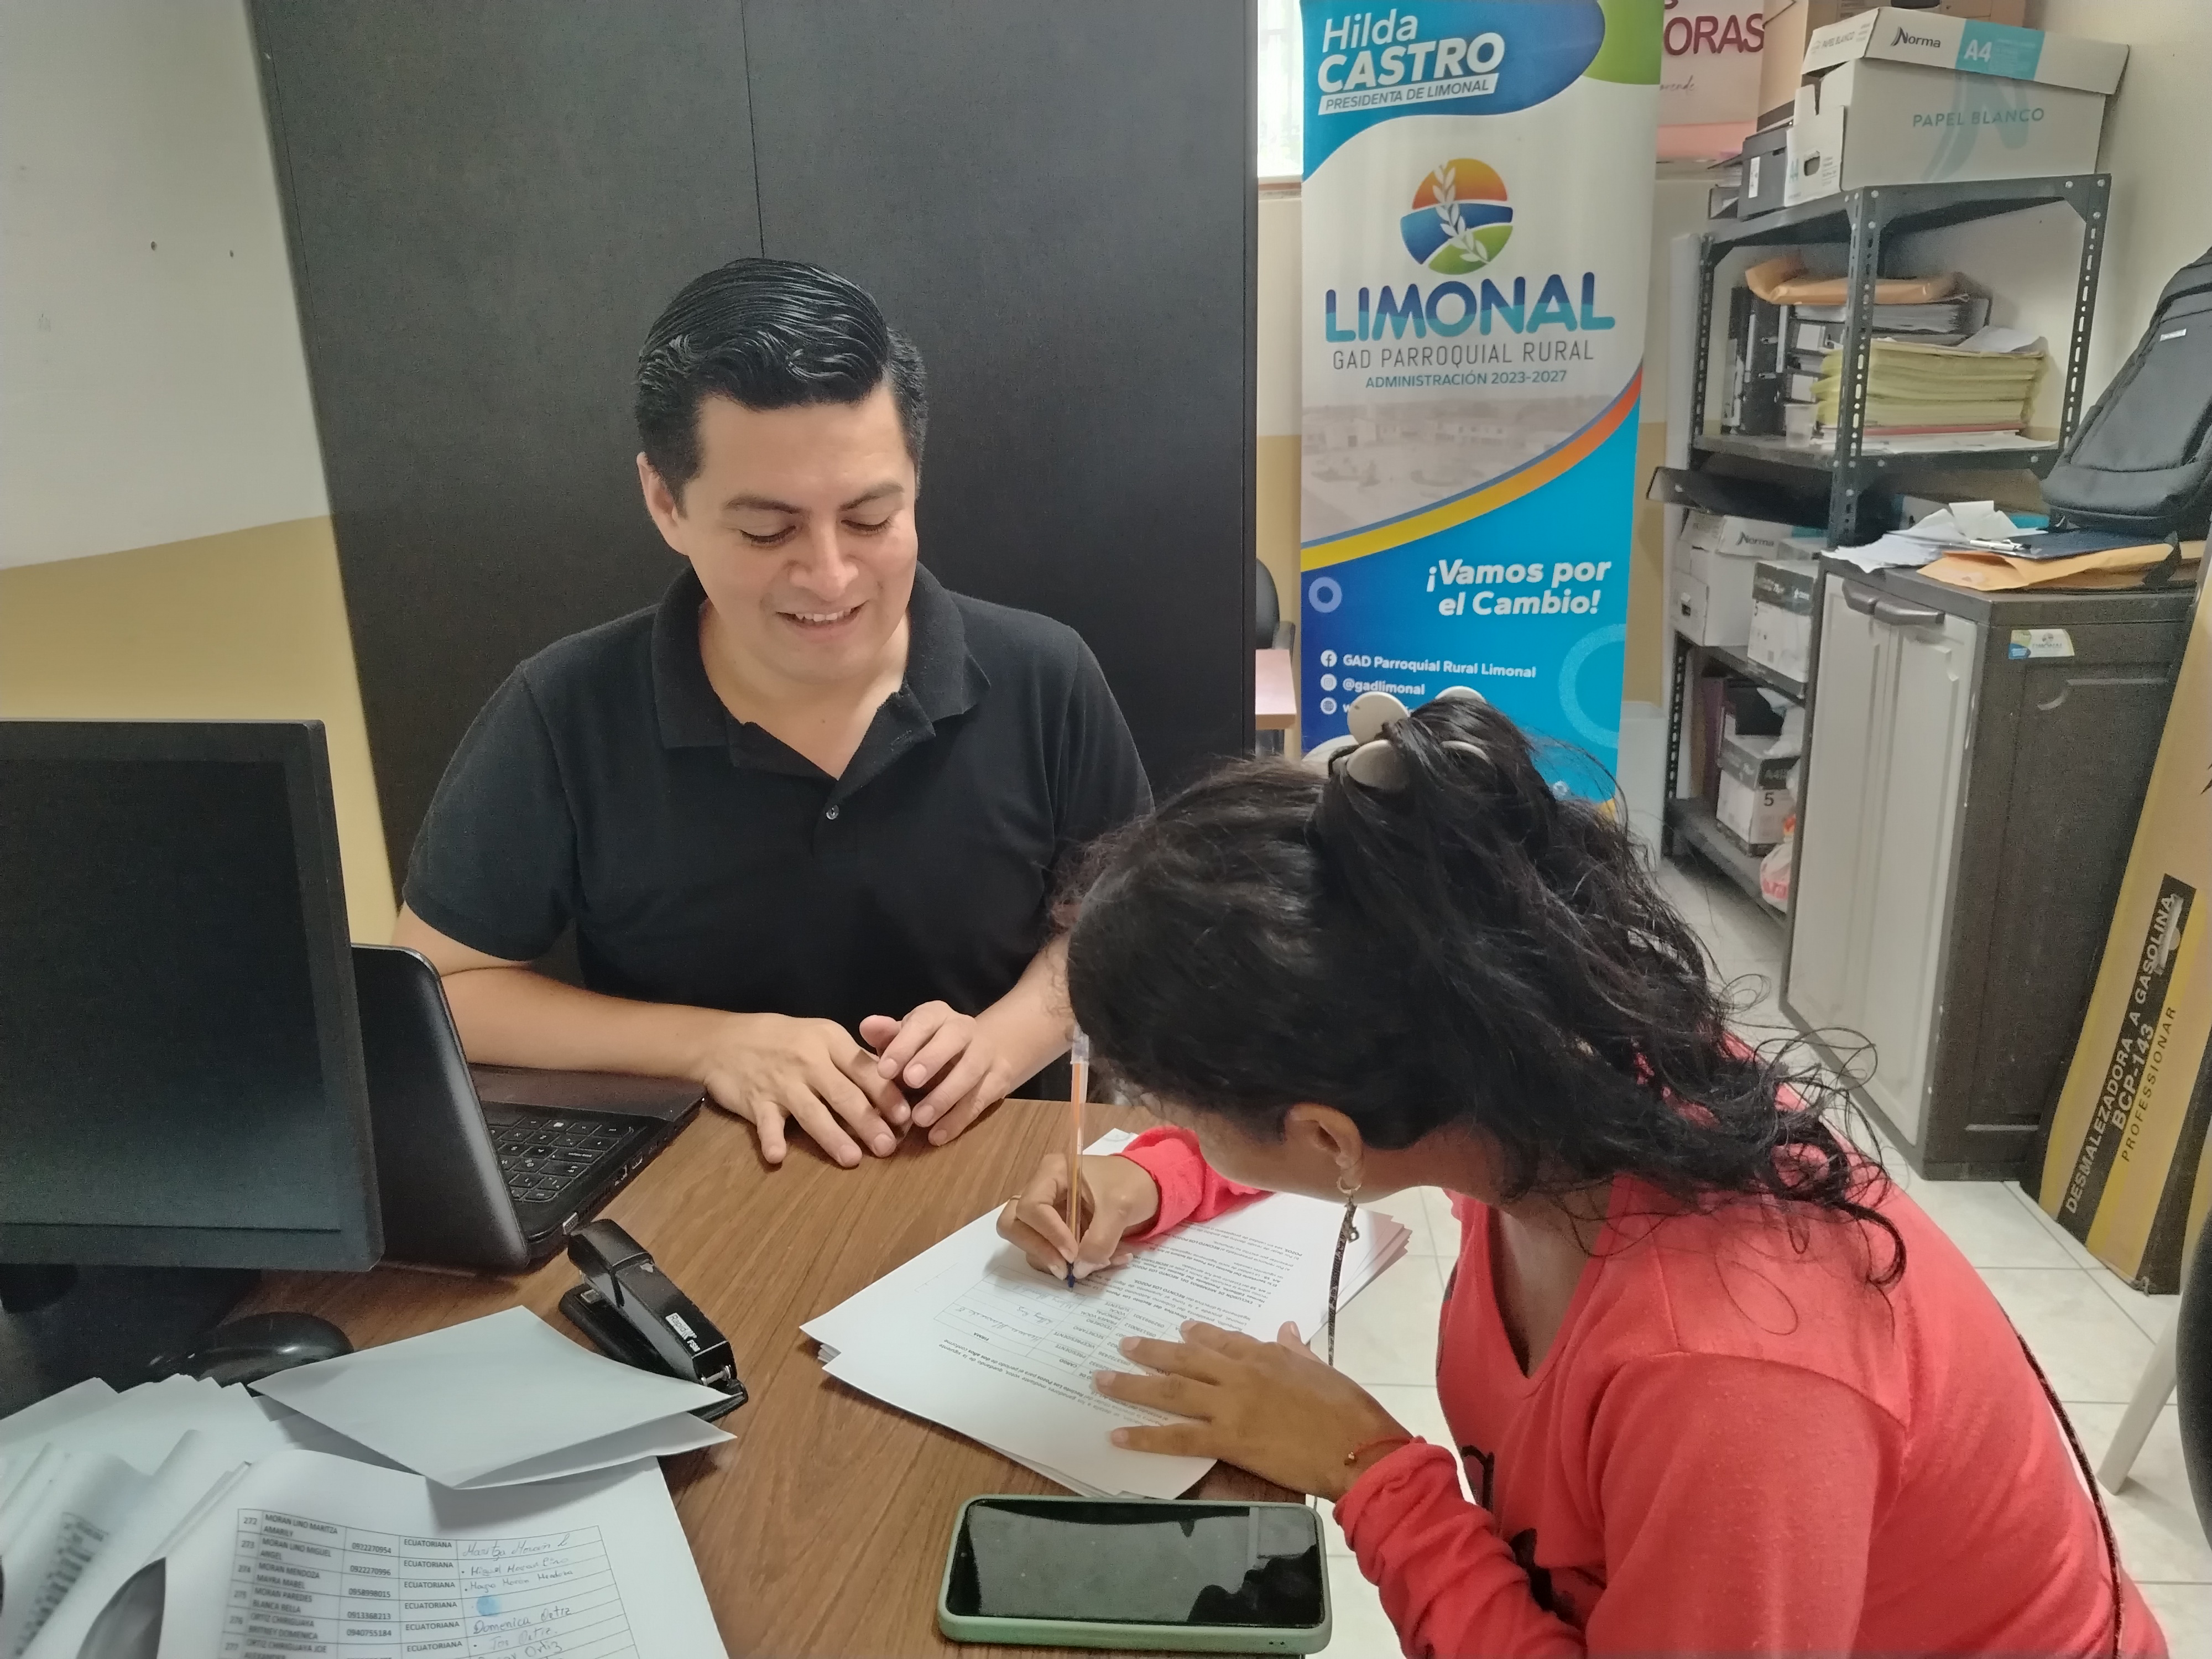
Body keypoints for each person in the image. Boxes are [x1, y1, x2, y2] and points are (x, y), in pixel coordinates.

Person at [998, 694, 2165, 1656]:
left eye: (1180, 1112)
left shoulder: (1727, 1378)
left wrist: (1370, 1472)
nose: (1179, 1130)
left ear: (1324, 1136)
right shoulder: (1532, 1070)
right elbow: (1362, 1082)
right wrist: (1156, 1181)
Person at [394, 258, 1150, 1168]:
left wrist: (1008, 1037)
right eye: (767, 530)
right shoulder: (563, 712)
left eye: (870, 519)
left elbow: (1123, 922)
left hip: (996, 1179)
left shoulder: (1046, 676)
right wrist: (710, 1045)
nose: (830, 577)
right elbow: (443, 988)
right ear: (666, 502)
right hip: (692, 1190)